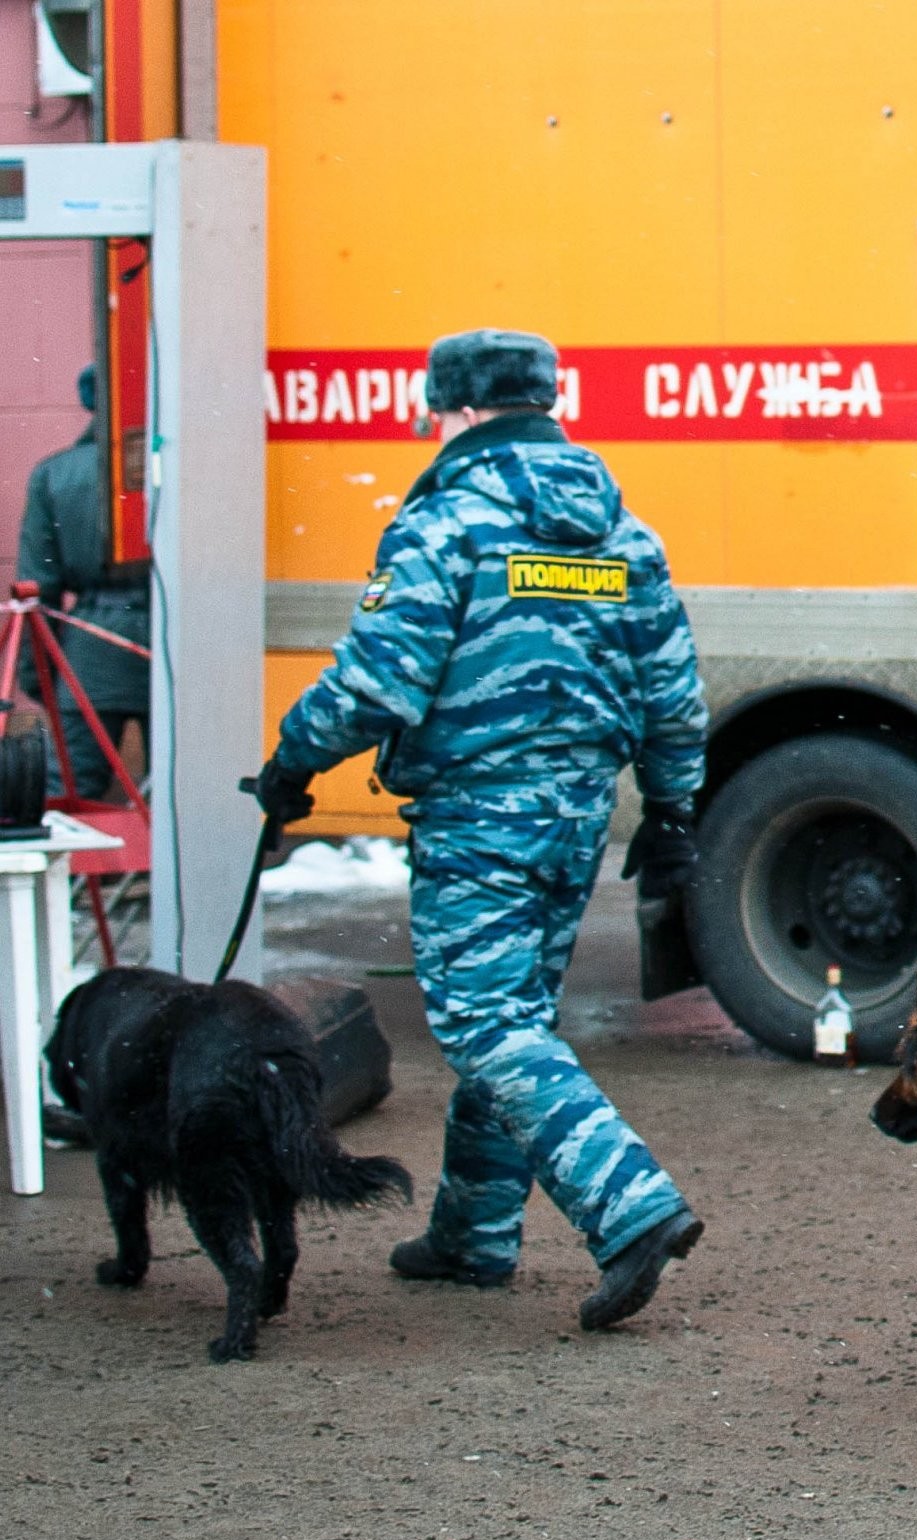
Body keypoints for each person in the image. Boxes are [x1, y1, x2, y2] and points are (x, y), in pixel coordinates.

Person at [255, 328, 709, 1331]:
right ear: (546, 401)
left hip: (478, 810)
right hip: (577, 809)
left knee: (481, 1019)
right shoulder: (620, 531)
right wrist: (672, 803)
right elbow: (672, 689)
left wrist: (292, 761)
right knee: (514, 1018)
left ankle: (629, 1205)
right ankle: (473, 1234)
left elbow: (378, 678)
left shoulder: (448, 522)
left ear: (452, 409)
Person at [16, 365, 150, 798]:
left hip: (87, 650)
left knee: (72, 793)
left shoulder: (55, 474)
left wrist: (37, 676)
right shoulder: (179, 470)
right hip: (171, 647)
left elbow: (38, 585)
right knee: (180, 795)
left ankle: (75, 870)